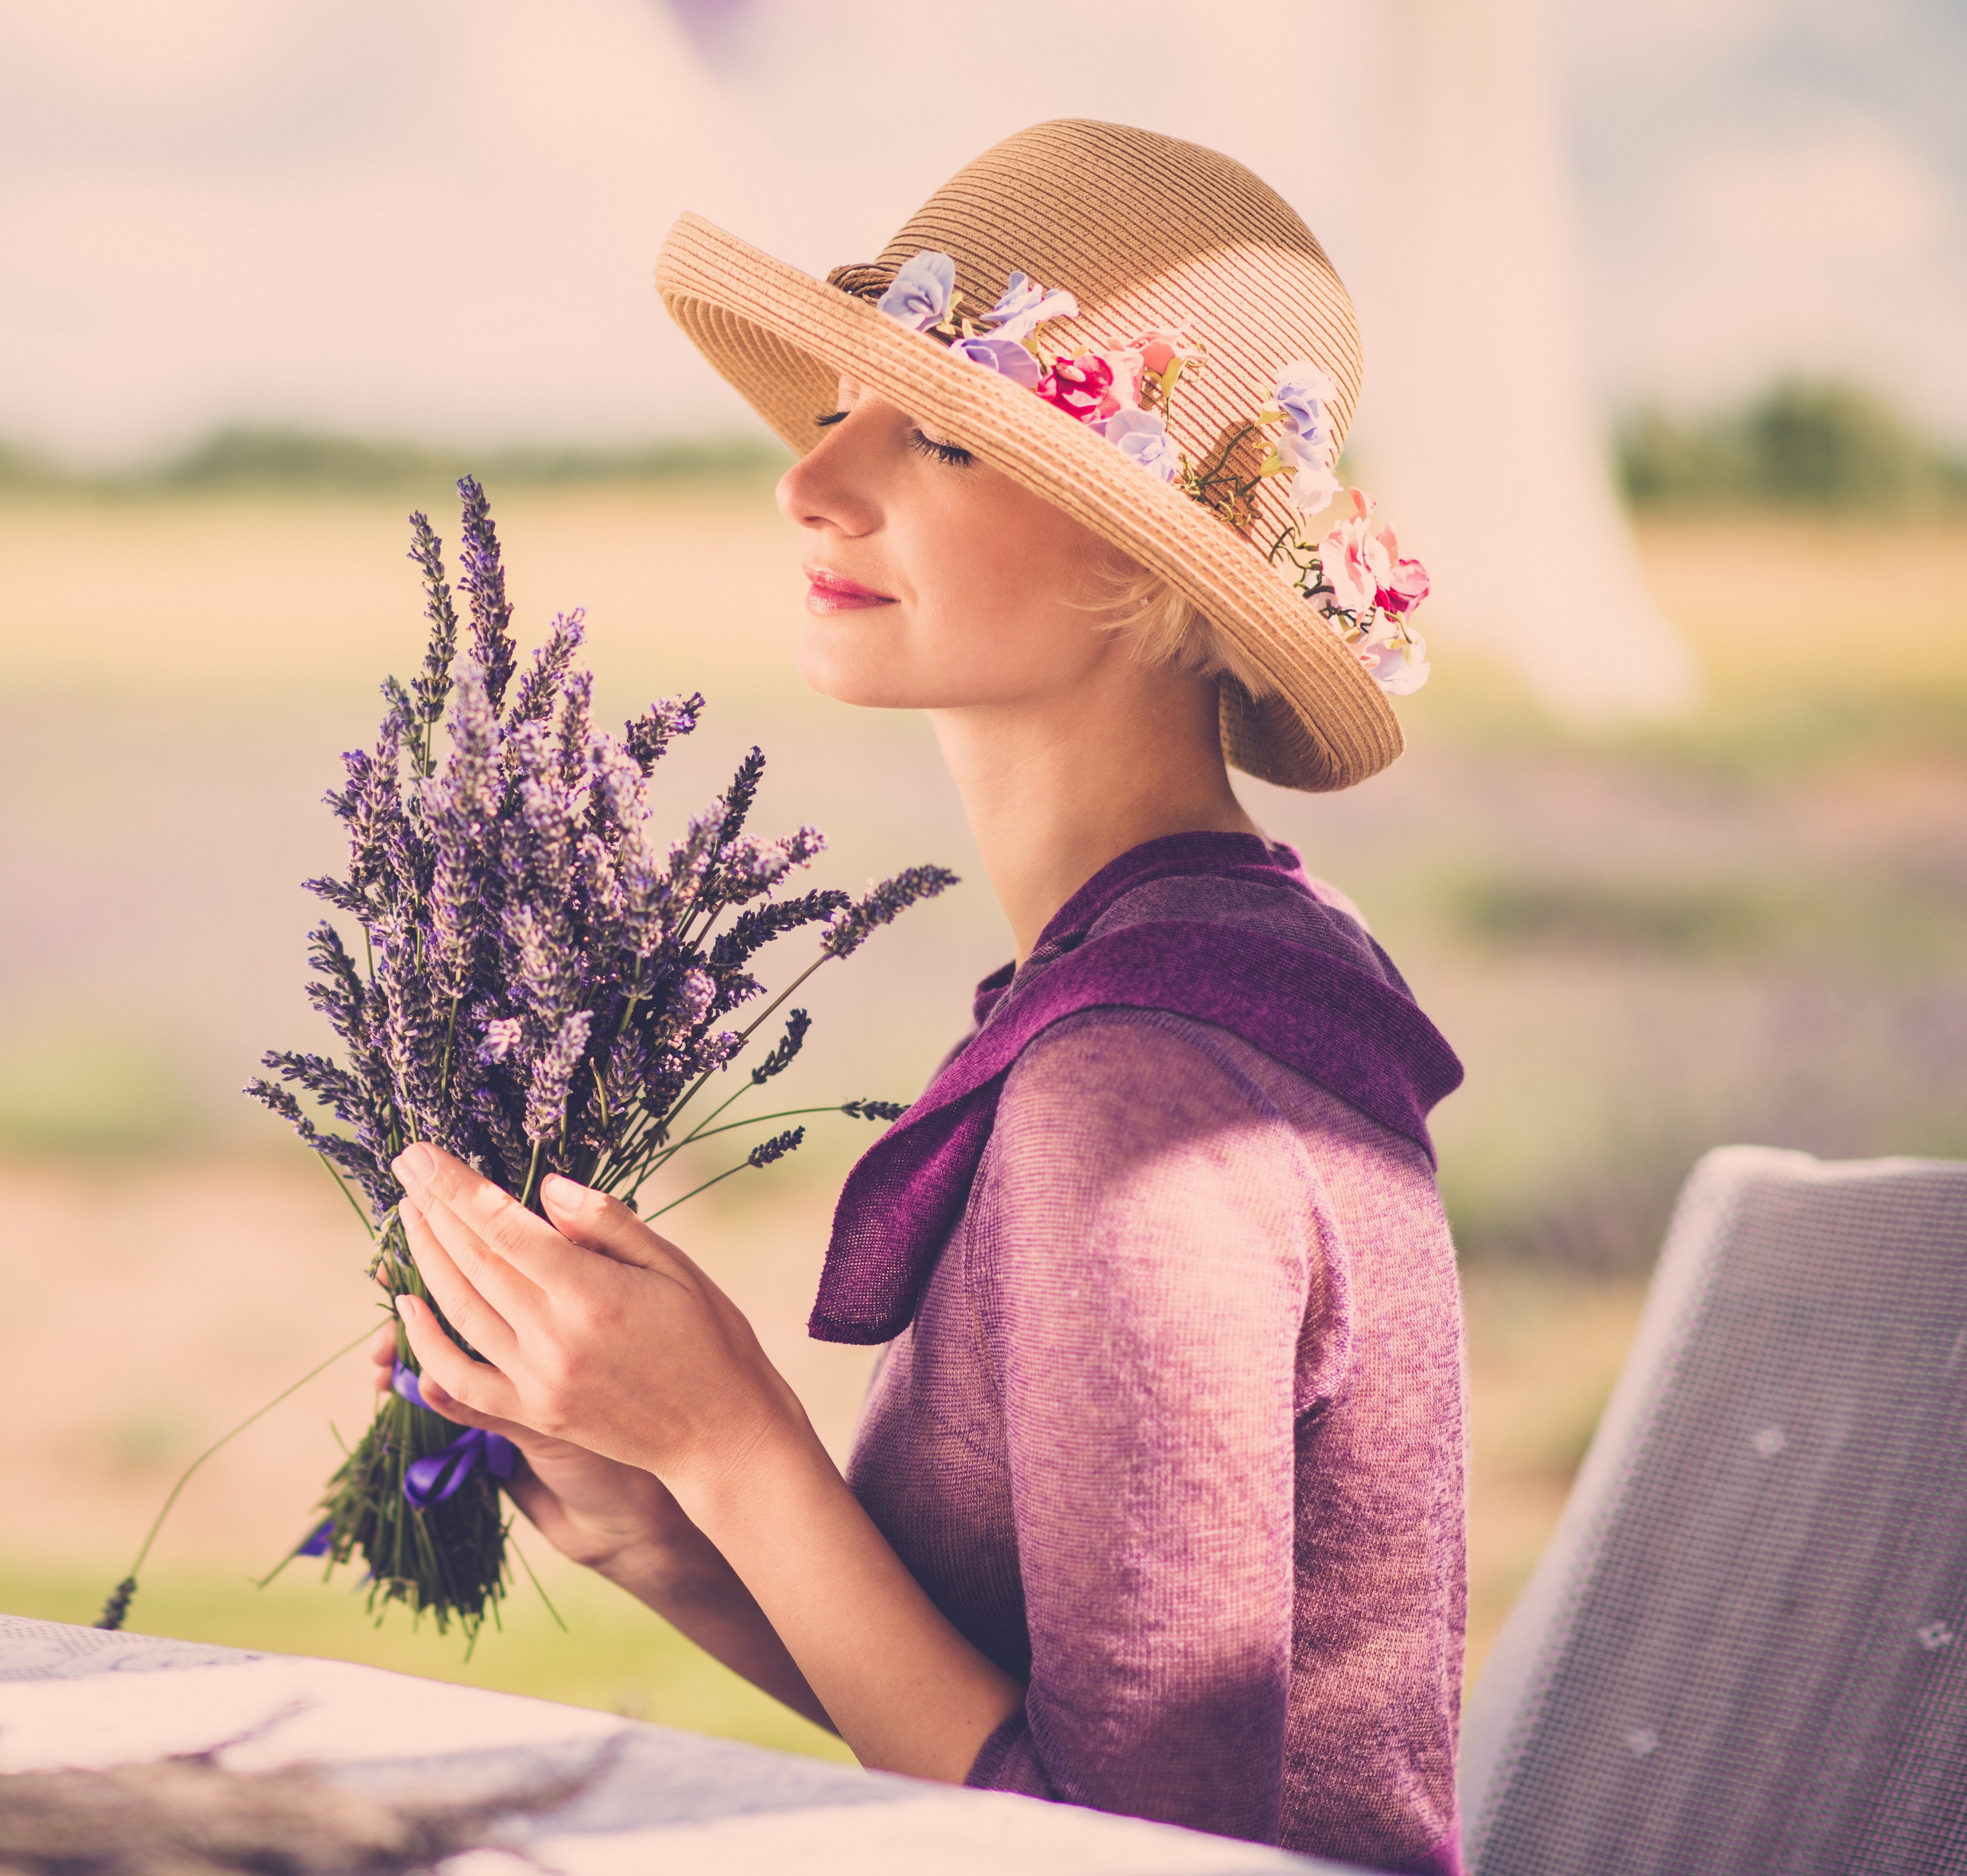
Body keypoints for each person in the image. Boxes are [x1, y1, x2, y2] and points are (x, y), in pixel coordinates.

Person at [378, 120, 1468, 1874]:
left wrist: (736, 1439)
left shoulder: (1149, 1102)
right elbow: (999, 1740)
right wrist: (662, 1518)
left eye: (945, 436)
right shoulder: (1199, 970)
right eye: (833, 415)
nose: (812, 483)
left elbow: (1123, 1856)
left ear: (1152, 566)